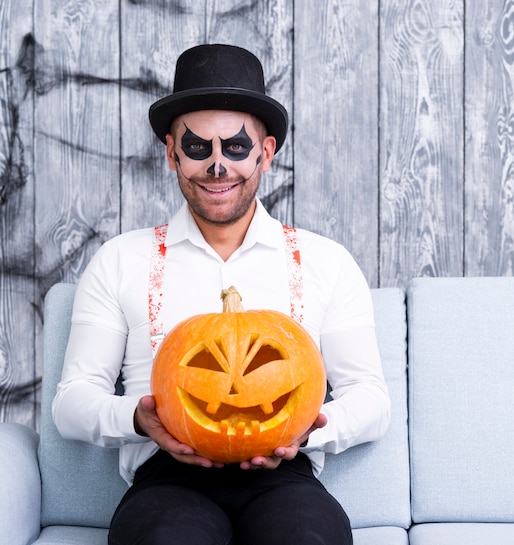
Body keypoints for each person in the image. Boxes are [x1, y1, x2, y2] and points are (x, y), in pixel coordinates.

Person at [52, 43, 390, 545]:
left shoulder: (325, 261)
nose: (217, 166)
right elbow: (71, 402)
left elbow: (372, 398)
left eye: (235, 147)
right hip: (166, 478)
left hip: (285, 476)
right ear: (171, 153)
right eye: (197, 147)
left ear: (266, 153)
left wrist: (307, 428)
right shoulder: (121, 259)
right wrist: (139, 420)